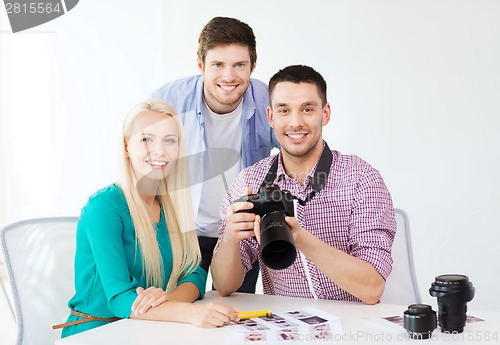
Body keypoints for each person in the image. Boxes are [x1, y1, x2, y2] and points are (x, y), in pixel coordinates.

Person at [211, 65, 396, 304]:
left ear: (325, 113)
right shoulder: (250, 181)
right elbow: (224, 287)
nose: (295, 122)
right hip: (285, 327)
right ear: (271, 117)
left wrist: (301, 239)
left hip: (352, 325)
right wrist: (231, 238)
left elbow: (372, 289)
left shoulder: (361, 178)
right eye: (284, 110)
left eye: (307, 109)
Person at [58, 100, 237, 337]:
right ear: (126, 147)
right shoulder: (103, 207)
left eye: (169, 140)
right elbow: (120, 298)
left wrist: (168, 299)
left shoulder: (172, 206)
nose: (159, 150)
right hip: (96, 334)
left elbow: (195, 272)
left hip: (148, 329)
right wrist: (189, 313)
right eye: (146, 139)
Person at [151, 17, 278, 293]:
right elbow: (141, 162)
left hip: (241, 230)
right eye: (218, 65)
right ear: (201, 65)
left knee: (237, 315)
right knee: (177, 318)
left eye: (239, 65)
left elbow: (297, 150)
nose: (229, 76)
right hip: (180, 233)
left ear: (252, 66)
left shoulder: (268, 99)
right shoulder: (168, 101)